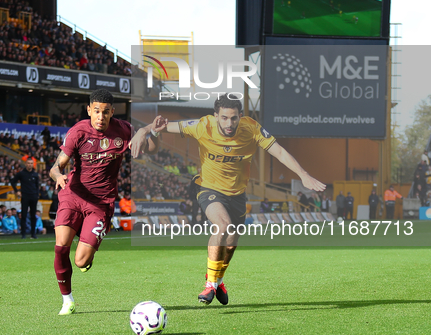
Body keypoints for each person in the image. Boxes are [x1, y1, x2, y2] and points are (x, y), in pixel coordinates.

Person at [131, 98, 325, 306]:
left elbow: (278, 151)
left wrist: (303, 174)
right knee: (222, 226)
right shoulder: (202, 125)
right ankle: (210, 284)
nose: (229, 123)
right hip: (208, 187)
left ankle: (219, 281)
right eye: (224, 118)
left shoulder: (251, 128)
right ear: (216, 117)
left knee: (230, 246)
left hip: (237, 194)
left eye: (233, 118)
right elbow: (162, 126)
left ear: (240, 117)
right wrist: (144, 130)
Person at [49, 89, 161, 315]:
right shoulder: (78, 132)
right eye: (97, 111)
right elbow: (56, 166)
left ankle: (87, 239)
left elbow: (151, 149)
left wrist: (153, 134)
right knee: (61, 247)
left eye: (106, 112)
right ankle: (67, 300)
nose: (101, 116)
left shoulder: (123, 130)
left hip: (101, 203)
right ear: (89, 110)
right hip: (73, 195)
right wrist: (58, 176)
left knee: (80, 261)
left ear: (113, 112)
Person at [10, 158, 40, 239]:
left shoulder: (35, 174)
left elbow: (37, 186)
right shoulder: (21, 173)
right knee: (23, 215)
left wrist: (37, 195)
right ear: (25, 164)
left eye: (31, 163)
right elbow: (13, 182)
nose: (30, 164)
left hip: (33, 196)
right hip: (25, 196)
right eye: (28, 163)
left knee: (33, 216)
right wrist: (17, 191)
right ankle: (23, 234)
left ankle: (33, 234)